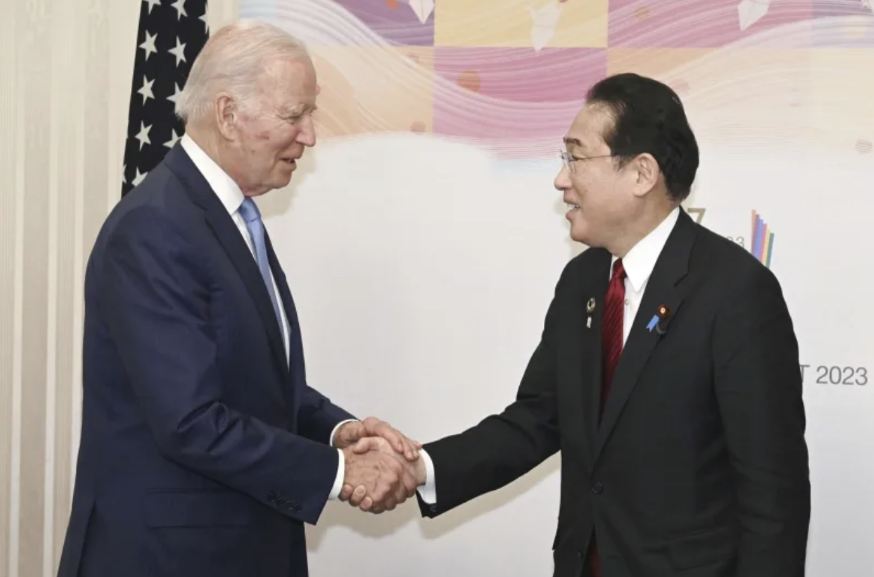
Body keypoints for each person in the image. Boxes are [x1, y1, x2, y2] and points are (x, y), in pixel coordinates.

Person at [349, 73, 812, 576]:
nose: (560, 180)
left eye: (576, 158)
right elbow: (537, 420)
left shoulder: (735, 291)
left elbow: (773, 497)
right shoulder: (583, 281)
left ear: (641, 173)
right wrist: (420, 467)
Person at [57, 20, 420, 577]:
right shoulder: (155, 227)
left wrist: (337, 431)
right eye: (294, 115)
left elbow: (250, 382)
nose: (309, 136)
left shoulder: (226, 215)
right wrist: (339, 471)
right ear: (228, 114)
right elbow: (191, 420)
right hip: (169, 560)